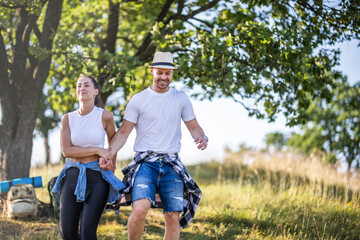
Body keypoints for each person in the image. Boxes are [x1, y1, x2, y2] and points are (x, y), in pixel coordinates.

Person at [104, 51, 208, 240]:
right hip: (146, 163)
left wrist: (202, 137)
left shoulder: (180, 98)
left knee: (173, 216)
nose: (163, 77)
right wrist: (108, 153)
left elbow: (193, 126)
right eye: (159, 72)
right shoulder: (139, 99)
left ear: (172, 74)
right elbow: (124, 132)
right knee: (139, 209)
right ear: (151, 71)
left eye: (167, 73)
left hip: (171, 164)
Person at [51, 75, 125, 240]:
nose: (82, 88)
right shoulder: (67, 119)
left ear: (95, 91)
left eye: (86, 85)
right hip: (72, 176)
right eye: (79, 86)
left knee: (87, 234)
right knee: (67, 234)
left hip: (97, 178)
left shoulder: (105, 116)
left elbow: (112, 144)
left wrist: (110, 164)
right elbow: (67, 151)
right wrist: (97, 149)